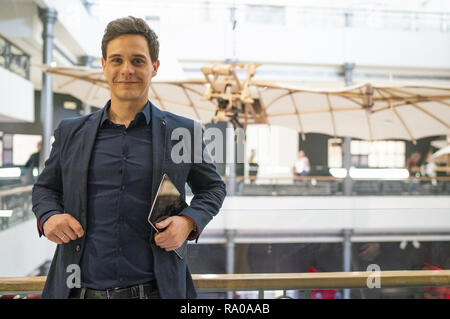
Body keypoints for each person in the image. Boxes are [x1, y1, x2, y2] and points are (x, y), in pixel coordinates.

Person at [32, 16, 226, 299]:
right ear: (103, 65)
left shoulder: (183, 132)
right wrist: (48, 216)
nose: (127, 70)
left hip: (157, 291)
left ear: (154, 67)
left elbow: (213, 187)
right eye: (117, 60)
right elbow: (46, 188)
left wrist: (188, 223)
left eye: (137, 61)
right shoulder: (71, 132)